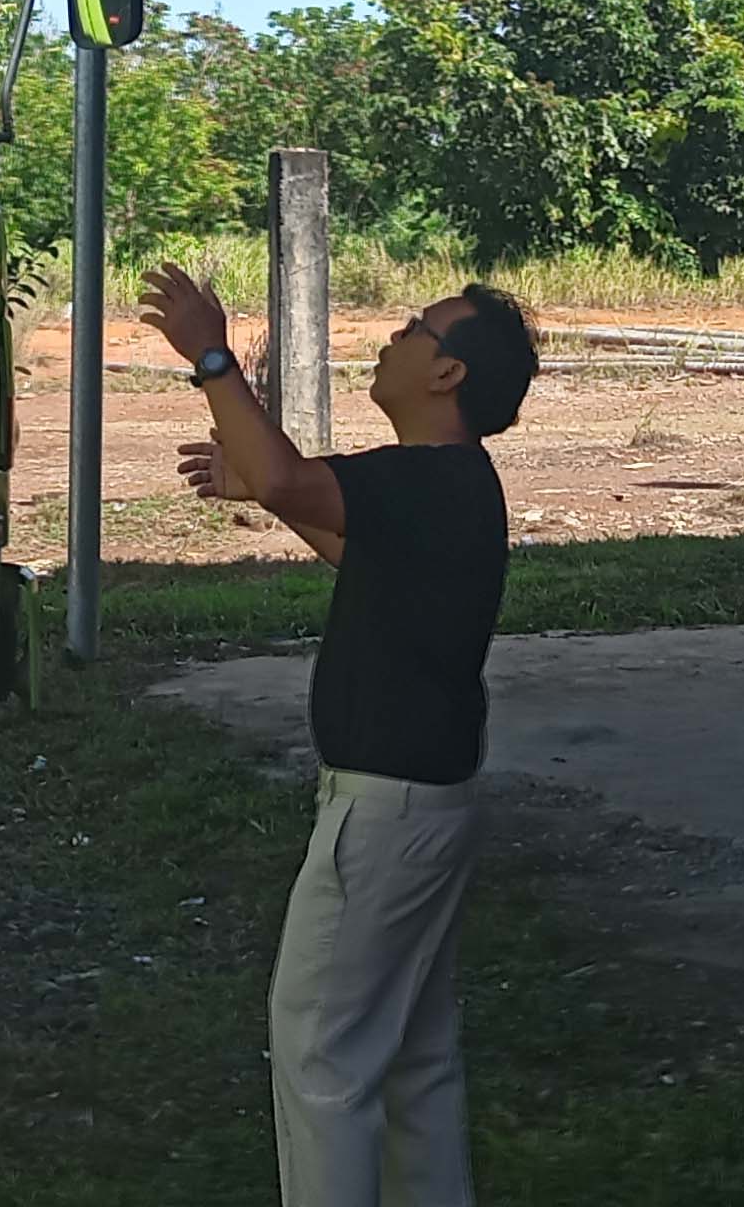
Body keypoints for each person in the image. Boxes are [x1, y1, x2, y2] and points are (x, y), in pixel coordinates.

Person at [138, 261, 540, 1207]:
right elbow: (347, 539)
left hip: (386, 812)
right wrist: (268, 493)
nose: (396, 335)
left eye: (416, 328)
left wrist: (209, 353)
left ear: (447, 376)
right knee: (411, 1053)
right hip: (431, 806)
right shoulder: (451, 484)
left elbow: (285, 473)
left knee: (322, 1050)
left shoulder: (422, 478)